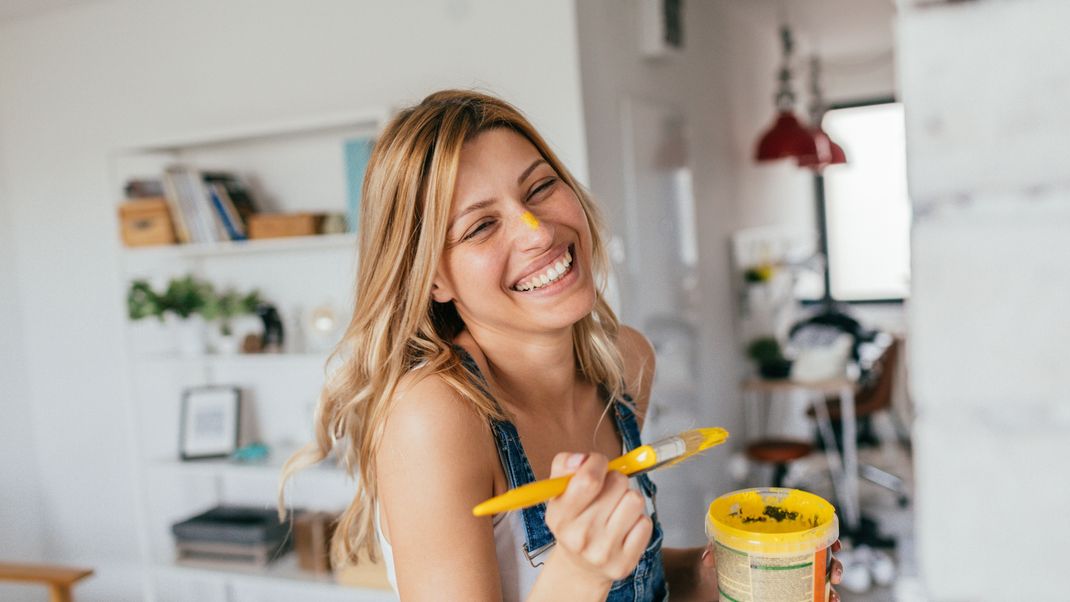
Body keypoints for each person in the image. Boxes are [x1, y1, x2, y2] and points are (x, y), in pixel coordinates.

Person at [282, 89, 843, 601]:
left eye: (541, 187)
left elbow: (634, 581)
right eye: (481, 226)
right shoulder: (435, 417)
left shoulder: (624, 362)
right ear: (433, 279)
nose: (537, 231)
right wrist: (578, 570)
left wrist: (703, 578)